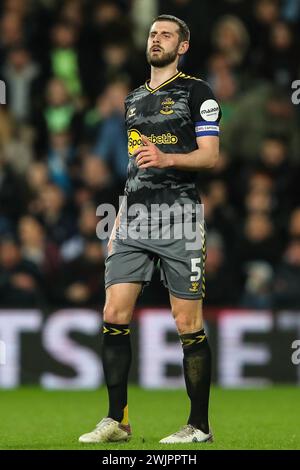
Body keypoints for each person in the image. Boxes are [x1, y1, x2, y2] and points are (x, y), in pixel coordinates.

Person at [79, 14, 221, 444]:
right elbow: (134, 165)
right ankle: (117, 421)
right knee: (113, 313)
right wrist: (120, 217)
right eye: (153, 33)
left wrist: (169, 159)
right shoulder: (133, 99)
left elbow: (211, 156)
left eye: (166, 35)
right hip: (134, 219)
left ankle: (199, 426)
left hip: (179, 217)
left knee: (187, 321)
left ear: (182, 47)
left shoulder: (198, 92)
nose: (156, 39)